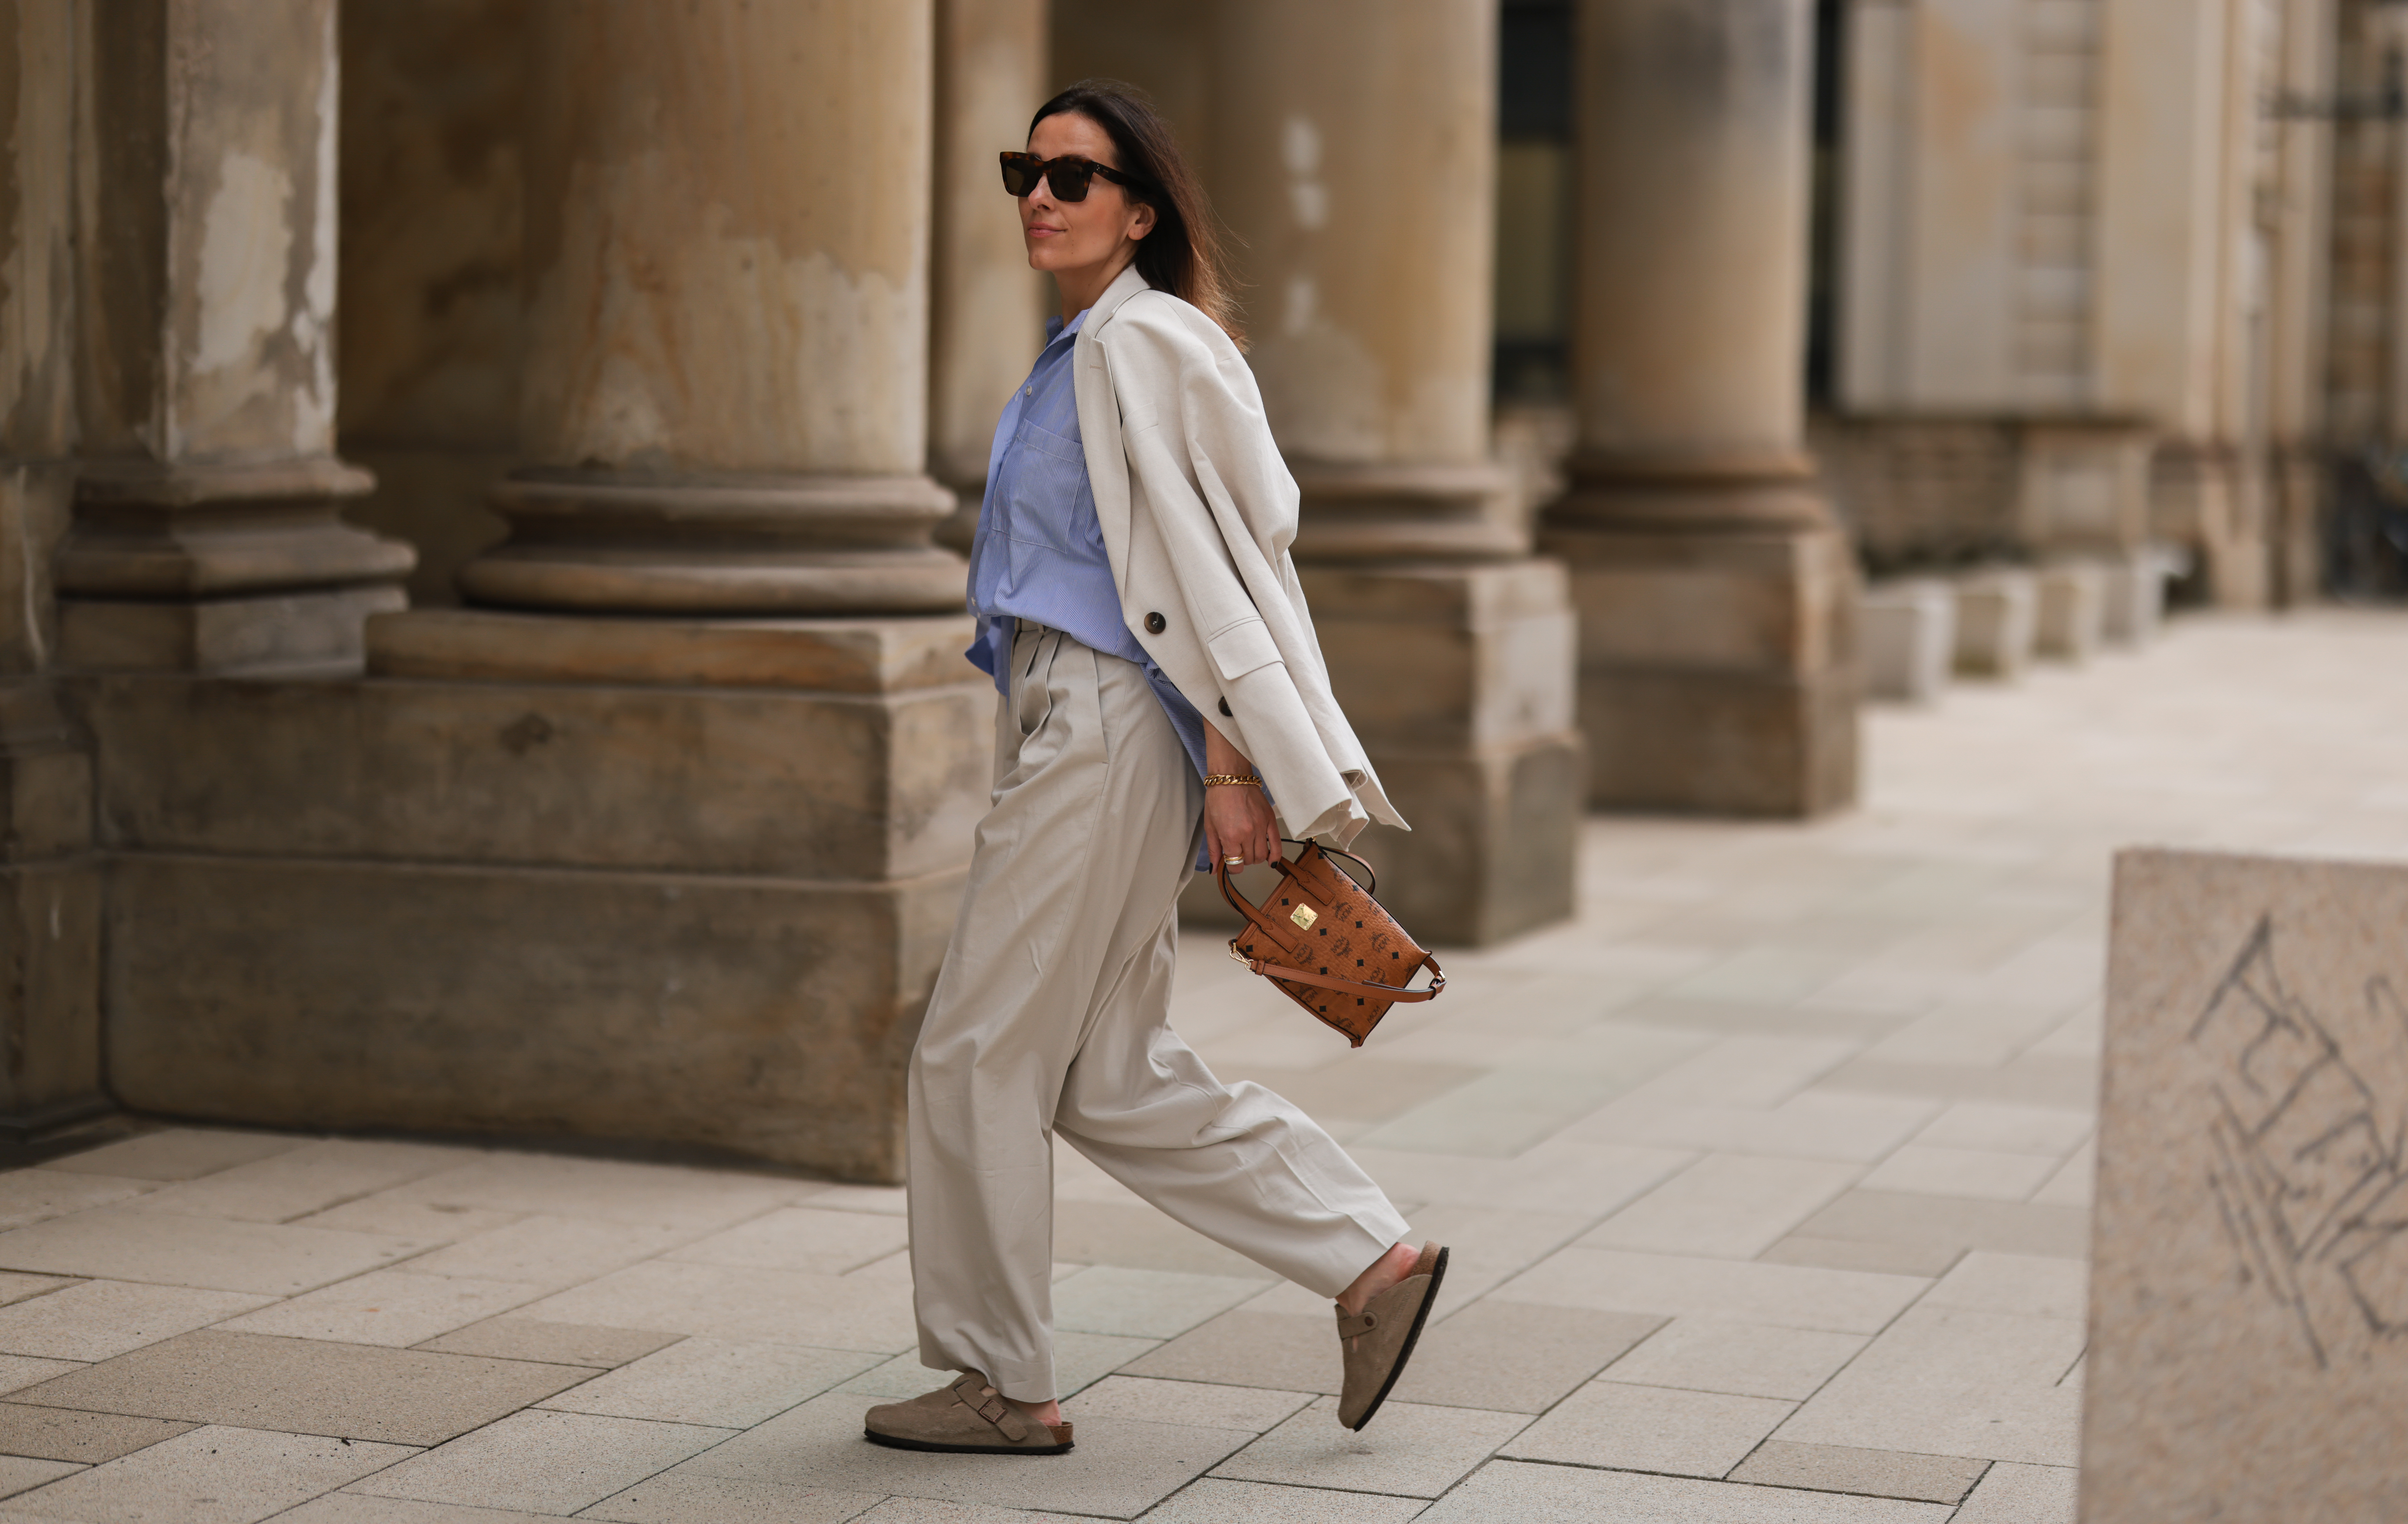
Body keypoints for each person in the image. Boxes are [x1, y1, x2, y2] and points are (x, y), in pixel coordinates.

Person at [864, 79, 1447, 1458]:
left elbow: (1247, 538)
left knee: (972, 1049)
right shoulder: (1082, 352)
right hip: (1087, 719)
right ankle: (1372, 1264)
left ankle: (1000, 1384)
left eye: (1074, 177)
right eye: (1027, 173)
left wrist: (1231, 754)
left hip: (1116, 725)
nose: (1041, 198)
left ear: (1140, 210)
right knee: (1101, 1072)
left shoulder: (1152, 340)